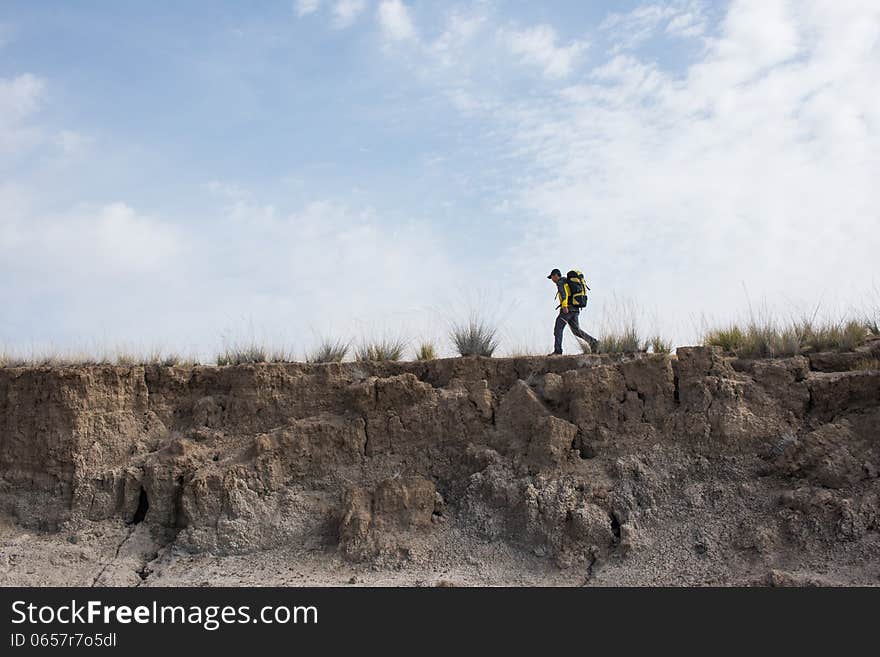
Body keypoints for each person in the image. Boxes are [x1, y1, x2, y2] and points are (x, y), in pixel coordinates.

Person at [547, 268, 599, 355]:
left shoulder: (561, 282)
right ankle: (593, 342)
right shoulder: (567, 281)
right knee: (576, 331)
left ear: (556, 275)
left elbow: (564, 294)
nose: (552, 279)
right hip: (575, 309)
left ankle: (558, 351)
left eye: (552, 277)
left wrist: (564, 306)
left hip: (567, 309)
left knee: (558, 328)